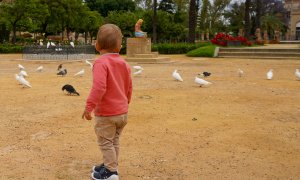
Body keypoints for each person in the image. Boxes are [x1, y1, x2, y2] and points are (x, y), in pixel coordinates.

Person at [82, 24, 132, 180]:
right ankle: (110, 165)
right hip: (122, 112)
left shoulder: (101, 63)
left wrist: (88, 107)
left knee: (105, 142)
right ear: (120, 47)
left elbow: (99, 87)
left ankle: (111, 172)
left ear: (97, 45)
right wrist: (125, 104)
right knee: (114, 140)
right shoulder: (124, 63)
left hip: (107, 114)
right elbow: (129, 86)